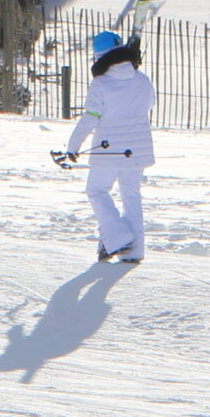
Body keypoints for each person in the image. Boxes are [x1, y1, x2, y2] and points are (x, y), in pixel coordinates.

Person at [54, 30, 154, 262]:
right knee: (131, 195)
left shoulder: (101, 83)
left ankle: (118, 238)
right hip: (138, 148)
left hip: (108, 148)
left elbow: (90, 117)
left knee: (97, 191)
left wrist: (73, 146)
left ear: (99, 56)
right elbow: (150, 104)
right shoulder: (142, 79)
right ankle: (134, 250)